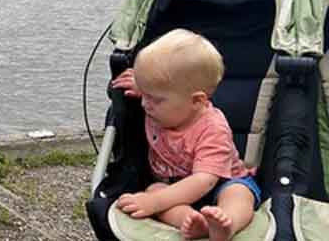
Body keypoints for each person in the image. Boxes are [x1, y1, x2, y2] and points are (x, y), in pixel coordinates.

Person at [111, 29, 261, 241]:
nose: (145, 104)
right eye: (144, 94)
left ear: (196, 101)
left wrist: (155, 203)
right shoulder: (162, 105)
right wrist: (143, 86)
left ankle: (227, 225)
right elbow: (157, 90)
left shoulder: (212, 128)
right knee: (154, 190)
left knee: (239, 194)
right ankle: (193, 222)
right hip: (172, 187)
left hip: (219, 183)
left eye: (154, 98)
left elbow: (204, 181)